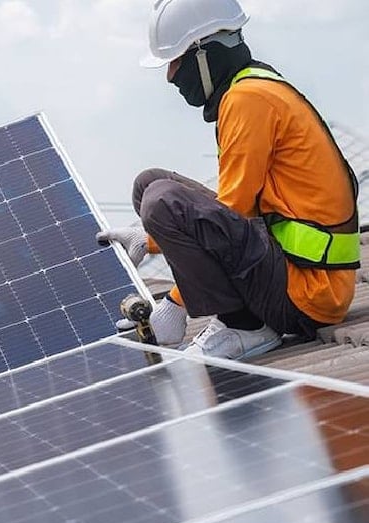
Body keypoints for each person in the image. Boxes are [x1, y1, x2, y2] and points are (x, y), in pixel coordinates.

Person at [98, 0, 360, 360]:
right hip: (294, 271)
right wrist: (149, 240)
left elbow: (234, 210)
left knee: (161, 201)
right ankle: (241, 315)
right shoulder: (251, 87)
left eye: (175, 61)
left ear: (203, 54)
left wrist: (175, 302)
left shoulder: (247, 99)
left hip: (307, 293)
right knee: (149, 184)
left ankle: (244, 325)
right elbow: (234, 215)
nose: (170, 76)